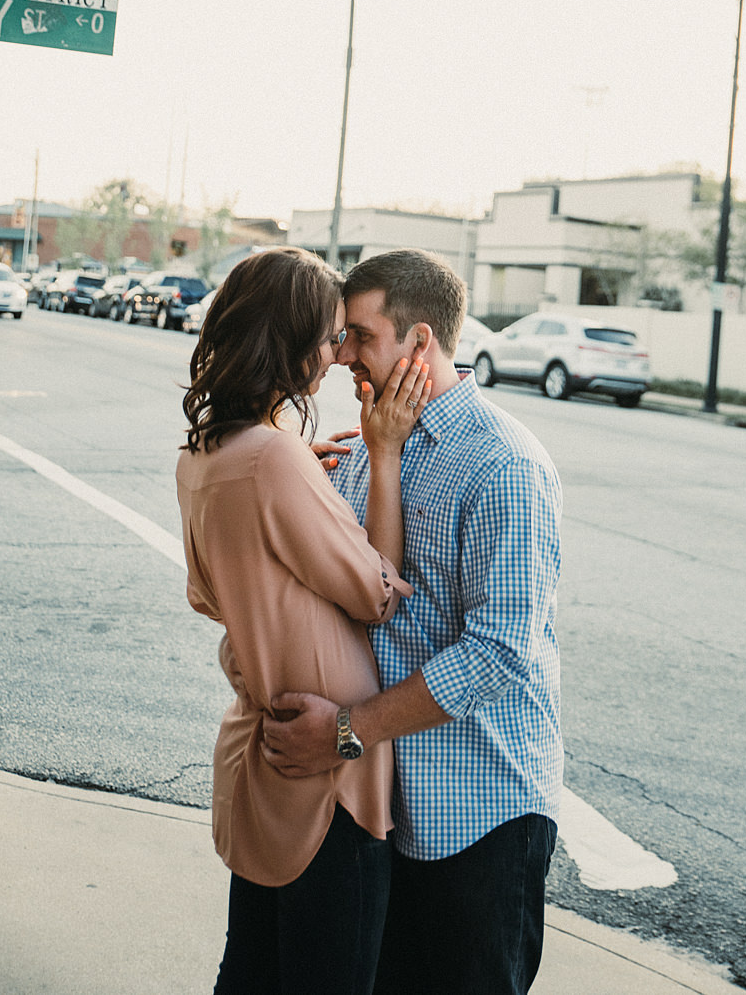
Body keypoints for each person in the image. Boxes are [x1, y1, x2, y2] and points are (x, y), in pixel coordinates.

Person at [262, 249, 563, 995]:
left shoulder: (503, 465)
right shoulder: (371, 443)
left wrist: (343, 730)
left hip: (481, 812)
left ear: (418, 342)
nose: (341, 360)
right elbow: (363, 595)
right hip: (389, 805)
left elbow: (498, 654)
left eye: (359, 337)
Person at [176, 247, 431, 995]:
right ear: (287, 341)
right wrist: (382, 456)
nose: (336, 355)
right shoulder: (272, 462)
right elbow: (377, 594)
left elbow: (210, 593)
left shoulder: (207, 453)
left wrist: (291, 481)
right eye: (327, 336)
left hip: (264, 762)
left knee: (253, 972)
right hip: (327, 784)